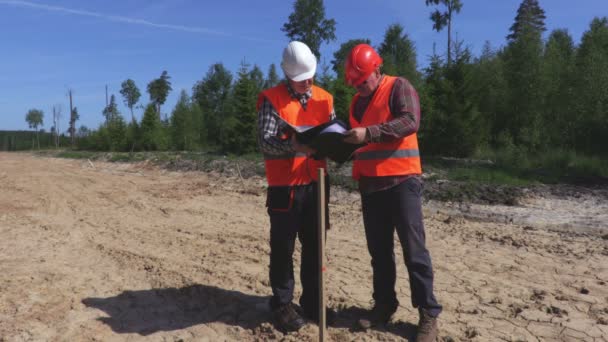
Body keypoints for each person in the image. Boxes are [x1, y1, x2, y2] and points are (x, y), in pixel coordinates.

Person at [342, 43, 442, 342]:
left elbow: (410, 121)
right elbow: (361, 143)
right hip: (371, 187)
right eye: (355, 83)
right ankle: (384, 306)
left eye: (363, 80)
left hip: (402, 184)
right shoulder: (355, 104)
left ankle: (428, 313)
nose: (359, 86)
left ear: (376, 69)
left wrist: (369, 133)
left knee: (415, 252)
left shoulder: (399, 86)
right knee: (380, 253)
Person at [256, 41, 336, 332]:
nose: (308, 83)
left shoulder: (325, 99)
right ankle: (282, 304)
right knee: (283, 248)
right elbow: (265, 142)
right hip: (285, 187)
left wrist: (333, 145)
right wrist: (295, 145)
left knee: (315, 247)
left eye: (311, 77)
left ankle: (313, 302)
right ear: (288, 76)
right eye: (302, 79)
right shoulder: (271, 99)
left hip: (317, 184)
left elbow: (333, 132)